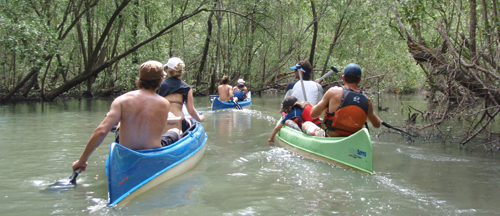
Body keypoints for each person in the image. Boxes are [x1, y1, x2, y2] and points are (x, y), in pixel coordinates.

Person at [72, 60, 179, 173]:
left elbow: (102, 131)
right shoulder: (164, 104)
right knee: (176, 130)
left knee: (121, 124)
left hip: (126, 154)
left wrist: (82, 160)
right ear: (161, 80)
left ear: (140, 79)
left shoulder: (122, 100)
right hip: (152, 153)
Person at [310, 63, 381, 137]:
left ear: (343, 78)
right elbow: (377, 124)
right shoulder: (367, 100)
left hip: (332, 137)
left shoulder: (333, 92)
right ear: (359, 80)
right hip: (352, 139)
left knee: (306, 124)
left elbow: (313, 114)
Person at [156, 57, 205, 133]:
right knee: (189, 121)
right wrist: (200, 118)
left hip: (161, 122)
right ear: (181, 71)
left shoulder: (158, 85)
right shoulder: (187, 88)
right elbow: (191, 111)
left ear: (168, 70)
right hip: (179, 122)